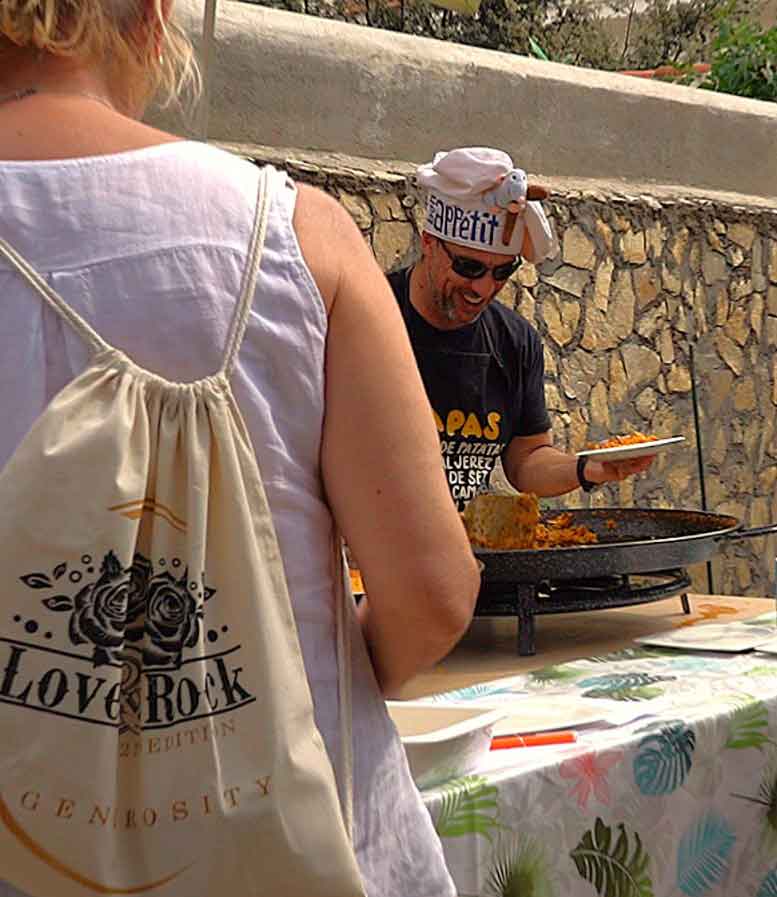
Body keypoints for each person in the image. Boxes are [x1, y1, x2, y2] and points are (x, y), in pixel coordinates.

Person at [0, 3, 480, 895]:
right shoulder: (295, 231)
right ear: (150, 21)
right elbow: (433, 594)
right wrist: (287, 680)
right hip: (301, 844)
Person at [388, 147, 654, 509]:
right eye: (468, 267)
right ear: (429, 243)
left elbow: (526, 461)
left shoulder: (514, 340)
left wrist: (588, 468)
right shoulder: (369, 317)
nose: (483, 288)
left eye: (502, 271)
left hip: (466, 541)